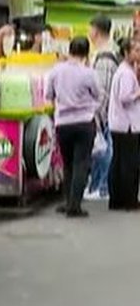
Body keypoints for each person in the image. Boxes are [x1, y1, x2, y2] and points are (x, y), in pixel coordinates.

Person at [46, 36, 100, 218]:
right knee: (81, 163)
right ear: (86, 53)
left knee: (68, 163)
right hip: (84, 121)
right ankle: (74, 205)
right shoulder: (89, 73)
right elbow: (97, 94)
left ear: (70, 50)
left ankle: (67, 200)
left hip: (63, 122)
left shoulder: (56, 71)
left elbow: (49, 94)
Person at [84, 15, 118, 200]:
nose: (89, 32)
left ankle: (102, 187)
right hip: (105, 114)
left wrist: (97, 115)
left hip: (103, 115)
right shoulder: (104, 54)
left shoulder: (104, 57)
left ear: (96, 30)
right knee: (100, 149)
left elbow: (102, 91)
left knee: (104, 149)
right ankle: (96, 185)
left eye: (90, 28)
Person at [107, 38, 140, 211]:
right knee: (129, 164)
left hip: (120, 123)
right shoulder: (126, 73)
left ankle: (117, 199)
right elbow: (125, 97)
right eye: (135, 50)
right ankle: (129, 200)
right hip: (127, 125)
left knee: (119, 162)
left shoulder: (125, 71)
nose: (138, 54)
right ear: (126, 53)